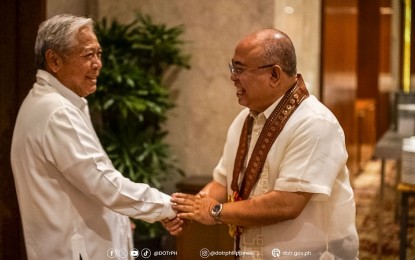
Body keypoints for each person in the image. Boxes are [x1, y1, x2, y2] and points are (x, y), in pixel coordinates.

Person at [164, 29, 359, 259]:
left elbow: (288, 203)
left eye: (240, 69)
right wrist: (191, 210)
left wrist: (215, 211)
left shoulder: (314, 123)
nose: (232, 77)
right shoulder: (244, 120)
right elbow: (223, 182)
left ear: (274, 75)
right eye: (232, 68)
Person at [10, 14, 176, 260]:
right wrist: (168, 207)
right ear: (54, 60)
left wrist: (120, 217)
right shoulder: (57, 112)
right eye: (88, 55)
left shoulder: (60, 102)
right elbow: (103, 183)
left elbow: (88, 181)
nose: (98, 64)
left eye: (99, 54)